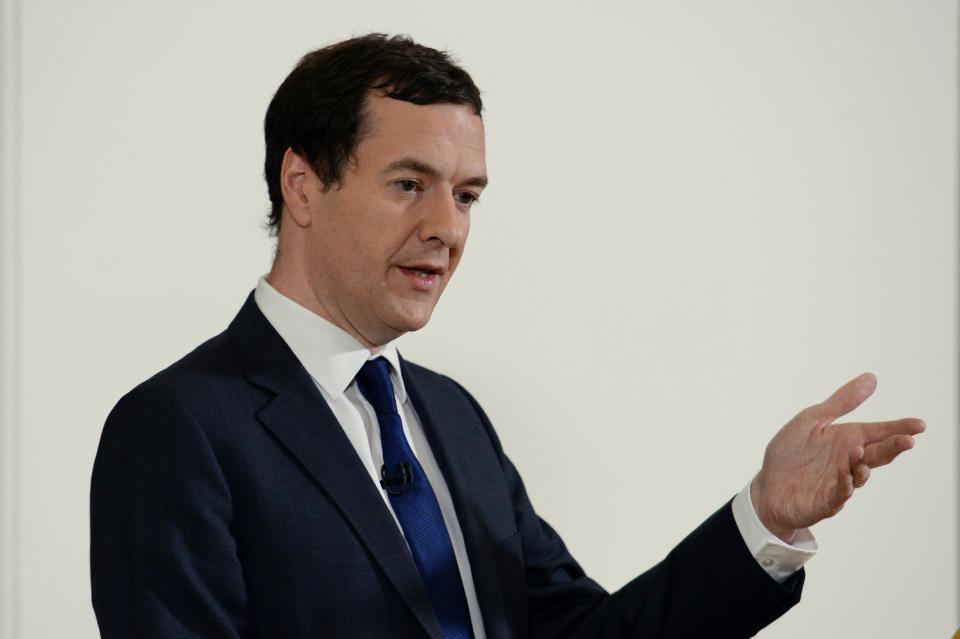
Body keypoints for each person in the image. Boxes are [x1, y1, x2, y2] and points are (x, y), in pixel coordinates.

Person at [89, 33, 925, 638]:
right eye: (410, 183)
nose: (445, 228)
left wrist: (764, 518)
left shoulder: (453, 419)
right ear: (303, 186)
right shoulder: (176, 428)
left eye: (467, 196)